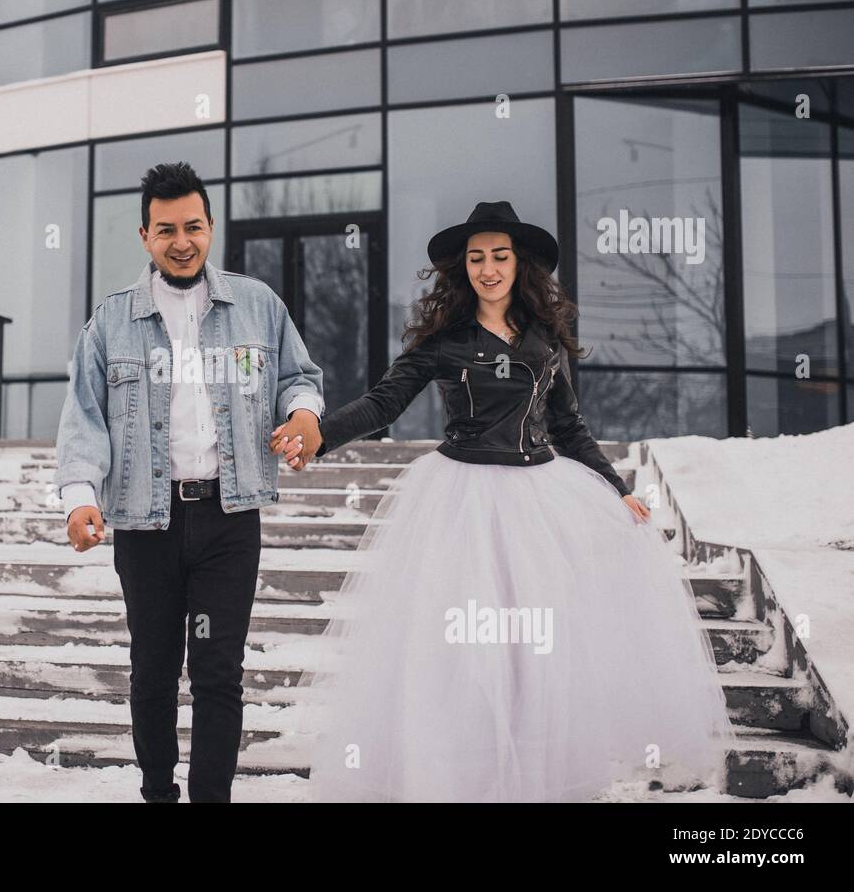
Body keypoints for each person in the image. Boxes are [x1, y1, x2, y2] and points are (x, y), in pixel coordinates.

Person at [290, 200, 736, 802]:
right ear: (463, 269)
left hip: (536, 501)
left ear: (518, 264)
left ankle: (529, 782)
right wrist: (320, 436)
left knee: (535, 651)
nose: (488, 267)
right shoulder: (444, 341)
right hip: (460, 501)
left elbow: (570, 426)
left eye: (499, 256)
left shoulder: (544, 339)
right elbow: (383, 403)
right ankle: (463, 779)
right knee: (463, 650)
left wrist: (616, 488)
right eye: (476, 258)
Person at [54, 161, 324, 802]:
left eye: (194, 227)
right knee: (151, 672)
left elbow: (298, 377)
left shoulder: (258, 305)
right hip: (146, 525)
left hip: (228, 520)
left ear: (211, 228)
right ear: (144, 235)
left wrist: (305, 415)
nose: (182, 241)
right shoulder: (111, 322)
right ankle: (157, 793)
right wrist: (79, 499)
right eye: (167, 229)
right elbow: (84, 418)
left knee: (217, 673)